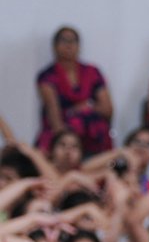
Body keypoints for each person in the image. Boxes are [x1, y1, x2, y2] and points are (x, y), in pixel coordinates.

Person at [35, 26, 113, 157]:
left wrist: (88, 107)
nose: (68, 45)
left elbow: (107, 109)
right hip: (63, 132)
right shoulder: (47, 76)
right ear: (54, 46)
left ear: (79, 46)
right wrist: (67, 144)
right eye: (64, 40)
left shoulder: (92, 72)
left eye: (73, 41)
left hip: (93, 136)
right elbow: (54, 115)